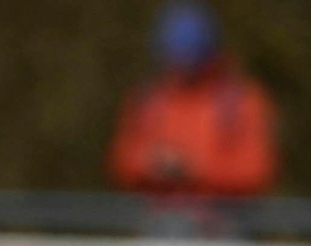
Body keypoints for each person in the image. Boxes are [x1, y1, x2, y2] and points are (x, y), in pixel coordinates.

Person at [108, 1, 279, 198]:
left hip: (225, 220)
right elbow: (122, 162)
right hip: (160, 219)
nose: (182, 68)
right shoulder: (148, 98)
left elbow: (256, 171)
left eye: (191, 58)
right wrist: (151, 165)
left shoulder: (241, 100)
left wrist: (193, 169)